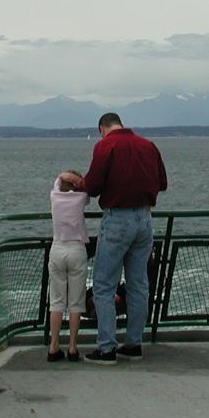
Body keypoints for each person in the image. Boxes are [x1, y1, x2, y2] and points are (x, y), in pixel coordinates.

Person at [75, 112, 168, 364]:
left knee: (104, 285)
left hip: (117, 219)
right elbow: (162, 182)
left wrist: (79, 184)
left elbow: (92, 186)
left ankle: (106, 348)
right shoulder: (148, 145)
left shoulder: (106, 145)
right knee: (138, 284)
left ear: (102, 129)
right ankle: (133, 344)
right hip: (145, 220)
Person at [47, 170, 89, 363]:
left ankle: (54, 346)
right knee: (76, 303)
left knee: (56, 302)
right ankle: (72, 347)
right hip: (76, 249)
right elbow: (87, 187)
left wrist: (65, 176)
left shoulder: (54, 196)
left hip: (57, 249)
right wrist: (79, 181)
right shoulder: (81, 198)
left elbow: (58, 180)